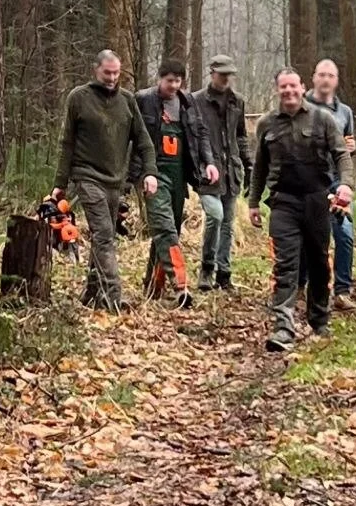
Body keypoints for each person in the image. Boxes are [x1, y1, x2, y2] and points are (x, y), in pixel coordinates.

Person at [249, 69, 352, 354]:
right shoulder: (267, 124)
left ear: (302, 87)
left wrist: (346, 186)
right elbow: (259, 166)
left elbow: (341, 154)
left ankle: (319, 319)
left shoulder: (323, 119)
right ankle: (283, 326)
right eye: (283, 87)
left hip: (317, 200)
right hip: (283, 202)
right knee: (285, 264)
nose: (289, 92)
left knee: (319, 261)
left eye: (293, 86)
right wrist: (253, 202)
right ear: (277, 90)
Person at [52, 50, 157, 313]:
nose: (111, 78)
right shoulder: (79, 98)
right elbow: (67, 143)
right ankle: (112, 295)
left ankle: (91, 292)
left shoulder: (127, 101)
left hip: (115, 181)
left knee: (103, 237)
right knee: (104, 235)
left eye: (116, 73)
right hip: (86, 176)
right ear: (95, 70)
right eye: (106, 73)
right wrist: (60, 183)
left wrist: (150, 172)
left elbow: (144, 141)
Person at [137, 58, 219, 309]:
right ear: (159, 79)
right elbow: (132, 135)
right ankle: (180, 285)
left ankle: (153, 286)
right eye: (168, 80)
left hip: (179, 175)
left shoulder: (187, 102)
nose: (173, 85)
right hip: (153, 173)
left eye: (177, 80)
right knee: (164, 228)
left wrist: (209, 162)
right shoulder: (143, 100)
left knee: (169, 228)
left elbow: (201, 133)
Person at [192, 56, 253, 292]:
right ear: (212, 73)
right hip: (207, 171)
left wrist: (248, 165)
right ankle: (206, 268)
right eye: (222, 74)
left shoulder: (237, 101)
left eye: (229, 74)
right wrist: (199, 164)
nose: (226, 78)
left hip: (231, 171)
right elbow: (193, 136)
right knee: (215, 216)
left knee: (228, 223)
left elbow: (241, 136)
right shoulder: (196, 101)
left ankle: (224, 274)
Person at [306, 58, 356, 313]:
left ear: (336, 81)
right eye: (321, 74)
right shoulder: (300, 105)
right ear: (314, 78)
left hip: (337, 181)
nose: (325, 79)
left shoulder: (344, 112)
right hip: (309, 180)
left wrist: (352, 149)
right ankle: (303, 286)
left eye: (330, 75)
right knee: (311, 236)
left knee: (345, 233)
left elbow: (348, 147)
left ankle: (342, 290)